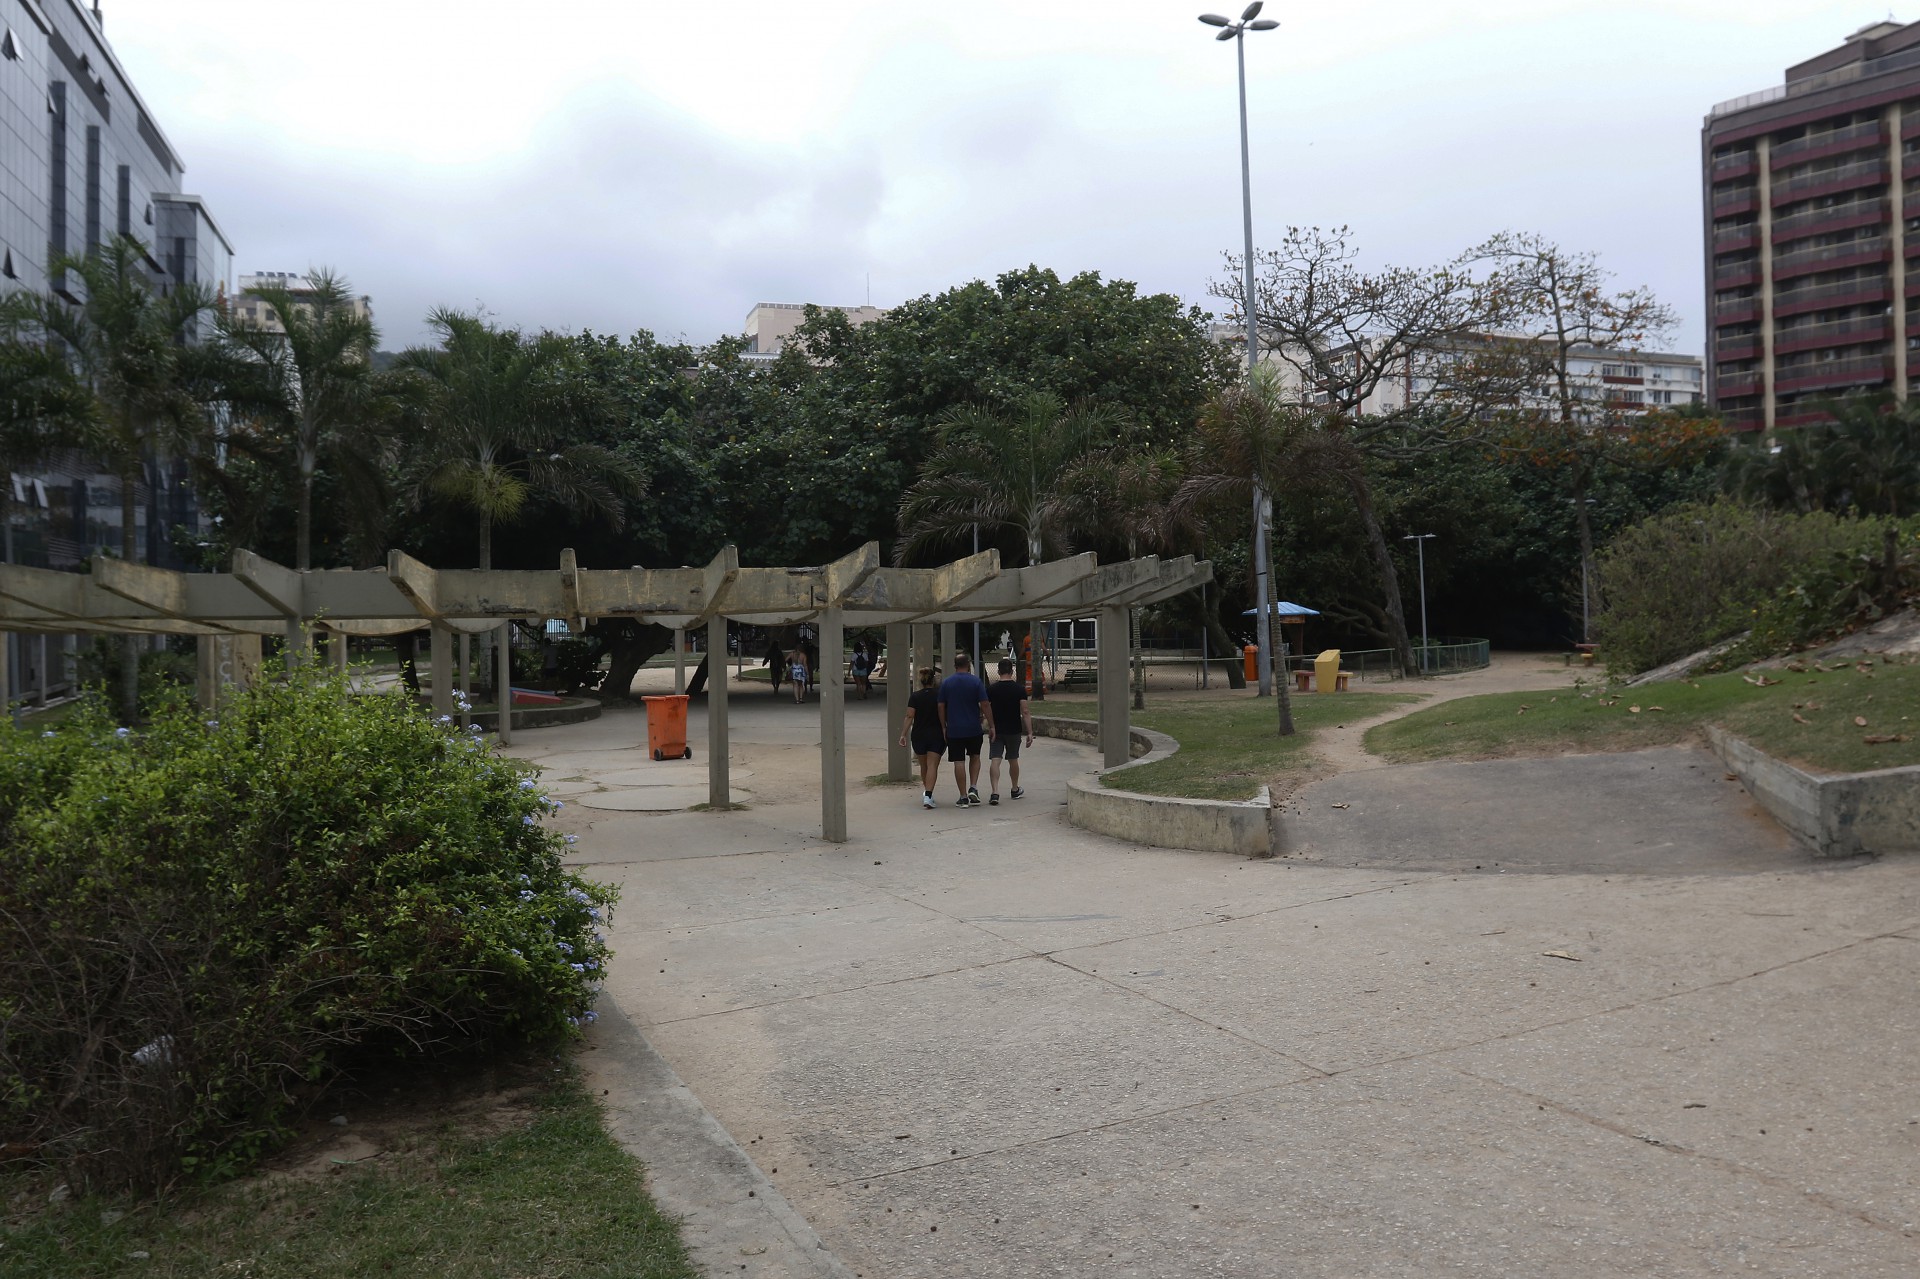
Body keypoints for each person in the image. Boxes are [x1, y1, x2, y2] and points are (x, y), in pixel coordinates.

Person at [935, 651, 992, 807]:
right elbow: (985, 704)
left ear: (955, 666)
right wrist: (992, 725)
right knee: (975, 756)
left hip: (954, 729)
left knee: (958, 761)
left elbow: (940, 706)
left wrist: (943, 726)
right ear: (968, 665)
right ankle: (973, 787)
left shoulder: (947, 683)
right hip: (974, 728)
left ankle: (963, 796)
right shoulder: (976, 682)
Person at [986, 657, 1034, 805]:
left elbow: (986, 708)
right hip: (1014, 729)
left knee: (995, 759)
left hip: (997, 729)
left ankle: (995, 792)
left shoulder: (991, 689)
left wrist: (990, 724)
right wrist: (1030, 732)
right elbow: (1025, 711)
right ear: (1012, 672)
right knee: (1013, 759)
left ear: (998, 671)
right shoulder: (1019, 689)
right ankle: (1014, 788)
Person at [898, 667, 945, 809]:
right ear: (933, 680)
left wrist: (903, 734)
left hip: (919, 734)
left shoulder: (915, 696)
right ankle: (928, 795)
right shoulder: (939, 695)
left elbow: (909, 716)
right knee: (932, 765)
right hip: (936, 734)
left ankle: (927, 793)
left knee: (924, 766)